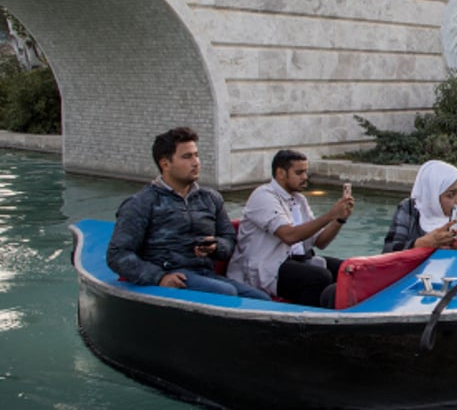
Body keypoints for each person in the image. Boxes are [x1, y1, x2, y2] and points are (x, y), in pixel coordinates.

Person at [106, 127, 270, 300]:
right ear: (165, 164)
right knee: (226, 293)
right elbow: (117, 254)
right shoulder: (141, 203)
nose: (196, 162)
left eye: (196, 155)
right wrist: (159, 277)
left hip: (205, 274)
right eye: (187, 157)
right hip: (171, 277)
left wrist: (215, 247)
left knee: (263, 300)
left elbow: (228, 238)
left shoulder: (211, 198)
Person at [227, 149, 355, 307]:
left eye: (305, 172)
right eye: (299, 173)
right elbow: (289, 236)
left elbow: (320, 242)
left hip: (296, 260)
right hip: (265, 267)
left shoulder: (299, 200)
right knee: (318, 277)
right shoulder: (263, 196)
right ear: (281, 173)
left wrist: (340, 219)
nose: (305, 177)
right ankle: (305, 324)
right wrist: (330, 215)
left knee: (346, 270)